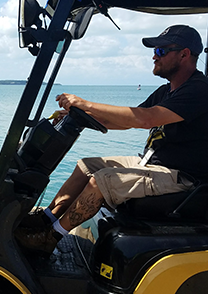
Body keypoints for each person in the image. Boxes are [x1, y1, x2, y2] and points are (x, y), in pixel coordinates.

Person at [15, 24, 208, 254]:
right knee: (86, 166)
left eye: (161, 51)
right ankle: (46, 218)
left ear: (184, 54)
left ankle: (49, 237)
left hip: (181, 177)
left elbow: (146, 119)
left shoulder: (198, 90)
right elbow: (128, 120)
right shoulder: (166, 91)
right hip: (154, 164)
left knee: (101, 181)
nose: (154, 57)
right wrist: (84, 115)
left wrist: (85, 103)